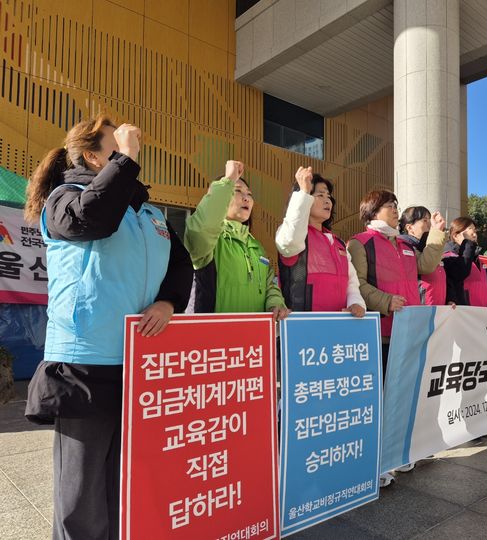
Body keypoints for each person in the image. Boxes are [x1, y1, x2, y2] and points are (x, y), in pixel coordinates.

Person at [23, 116, 193, 539]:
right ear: (92, 155)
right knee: (81, 493)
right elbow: (92, 220)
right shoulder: (65, 198)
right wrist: (128, 158)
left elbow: (181, 263)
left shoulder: (149, 214)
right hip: (86, 363)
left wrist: (169, 301)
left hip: (139, 364)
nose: (125, 150)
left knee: (124, 481)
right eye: (113, 145)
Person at [347, 190, 445, 485]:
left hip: (408, 333)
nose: (395, 210)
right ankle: (375, 462)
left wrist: (437, 234)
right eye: (390, 206)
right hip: (382, 333)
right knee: (379, 401)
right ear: (372, 210)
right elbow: (357, 284)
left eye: (395, 206)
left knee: (402, 399)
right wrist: (385, 300)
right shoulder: (359, 243)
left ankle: (397, 455)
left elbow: (426, 267)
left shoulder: (403, 244)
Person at [184, 160, 289, 320]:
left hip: (253, 340)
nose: (246, 198)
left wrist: (275, 304)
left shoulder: (256, 246)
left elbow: (270, 285)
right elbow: (202, 227)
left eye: (249, 194)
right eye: (238, 191)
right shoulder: (211, 241)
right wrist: (228, 180)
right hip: (215, 338)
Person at [275, 166, 365, 316]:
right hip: (303, 328)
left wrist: (355, 302)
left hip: (338, 328)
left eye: (329, 196)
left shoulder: (339, 243)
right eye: (320, 195)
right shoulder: (290, 233)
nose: (327, 200)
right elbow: (290, 242)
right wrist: (303, 192)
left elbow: (351, 282)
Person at [444, 217, 487, 307]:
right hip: (464, 314)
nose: (474, 235)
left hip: (481, 315)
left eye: (475, 231)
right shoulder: (449, 257)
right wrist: (468, 243)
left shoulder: (478, 260)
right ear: (455, 236)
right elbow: (461, 272)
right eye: (470, 232)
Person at [398, 206, 447, 306]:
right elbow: (425, 267)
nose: (430, 224)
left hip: (435, 310)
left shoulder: (429, 246)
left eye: (430, 220)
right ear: (409, 227)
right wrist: (436, 233)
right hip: (418, 310)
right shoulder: (403, 247)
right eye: (425, 220)